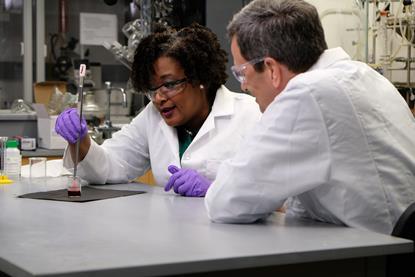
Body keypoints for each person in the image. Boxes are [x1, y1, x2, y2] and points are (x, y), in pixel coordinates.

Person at [200, 0, 415, 235]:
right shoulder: (364, 75)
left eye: (242, 73)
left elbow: (225, 202)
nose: (244, 86)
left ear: (271, 69)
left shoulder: (307, 93)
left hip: (374, 259)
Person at [55, 23, 261, 196]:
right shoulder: (152, 117)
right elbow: (111, 166)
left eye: (170, 84)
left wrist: (215, 190)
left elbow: (277, 193)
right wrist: (80, 141)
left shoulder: (250, 115)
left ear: (201, 79)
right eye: (152, 89)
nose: (159, 98)